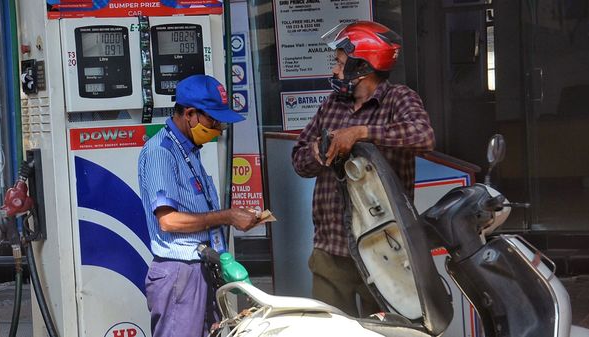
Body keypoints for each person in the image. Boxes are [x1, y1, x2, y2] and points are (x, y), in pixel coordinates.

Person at [291, 21, 435, 317]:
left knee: (391, 330)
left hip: (386, 252)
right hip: (331, 250)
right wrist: (317, 152)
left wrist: (361, 133)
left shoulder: (399, 99)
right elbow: (298, 161)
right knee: (328, 331)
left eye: (340, 63)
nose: (335, 70)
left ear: (363, 68)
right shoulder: (331, 105)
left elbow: (423, 136)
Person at [138, 74, 261, 337]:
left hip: (201, 269)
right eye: (213, 120)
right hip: (180, 274)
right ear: (190, 114)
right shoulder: (161, 152)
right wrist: (227, 216)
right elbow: (168, 220)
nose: (218, 127)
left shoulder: (190, 150)